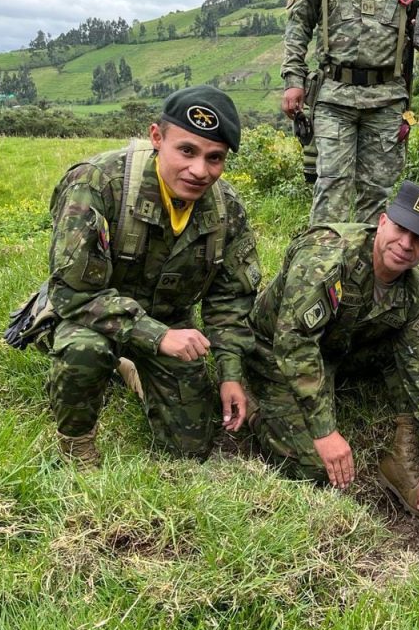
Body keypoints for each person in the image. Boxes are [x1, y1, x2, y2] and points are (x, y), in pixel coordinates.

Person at [45, 86, 261, 464]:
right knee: (84, 350)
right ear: (157, 138)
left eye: (215, 158)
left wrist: (230, 373)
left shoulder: (228, 211)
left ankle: (129, 368)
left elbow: (228, 301)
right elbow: (72, 293)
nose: (199, 170)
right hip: (96, 318)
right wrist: (156, 336)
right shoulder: (99, 184)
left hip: (171, 324)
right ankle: (76, 441)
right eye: (187, 151)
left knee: (190, 448)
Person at [245, 180, 419, 529]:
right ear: (383, 221)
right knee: (314, 465)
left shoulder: (416, 295)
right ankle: (255, 410)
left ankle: (402, 453)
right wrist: (325, 432)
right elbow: (294, 343)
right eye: (401, 229)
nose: (405, 244)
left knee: (409, 353)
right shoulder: (326, 257)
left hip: (341, 350)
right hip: (275, 349)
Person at [280, 0, 419, 226]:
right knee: (330, 189)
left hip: (386, 100)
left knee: (376, 195)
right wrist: (293, 80)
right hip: (334, 97)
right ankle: (323, 267)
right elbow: (298, 24)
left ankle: (365, 268)